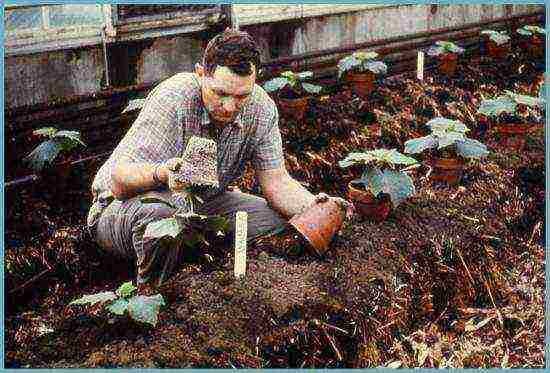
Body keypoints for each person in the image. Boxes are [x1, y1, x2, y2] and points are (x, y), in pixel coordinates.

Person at [87, 29, 352, 286]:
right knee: (160, 217)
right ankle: (155, 299)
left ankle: (223, 282)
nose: (229, 107)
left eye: (241, 96)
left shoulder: (260, 109)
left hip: (203, 205)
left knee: (283, 222)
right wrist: (163, 174)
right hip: (120, 210)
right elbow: (118, 183)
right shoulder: (175, 98)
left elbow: (277, 183)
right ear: (201, 73)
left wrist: (315, 207)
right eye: (220, 93)